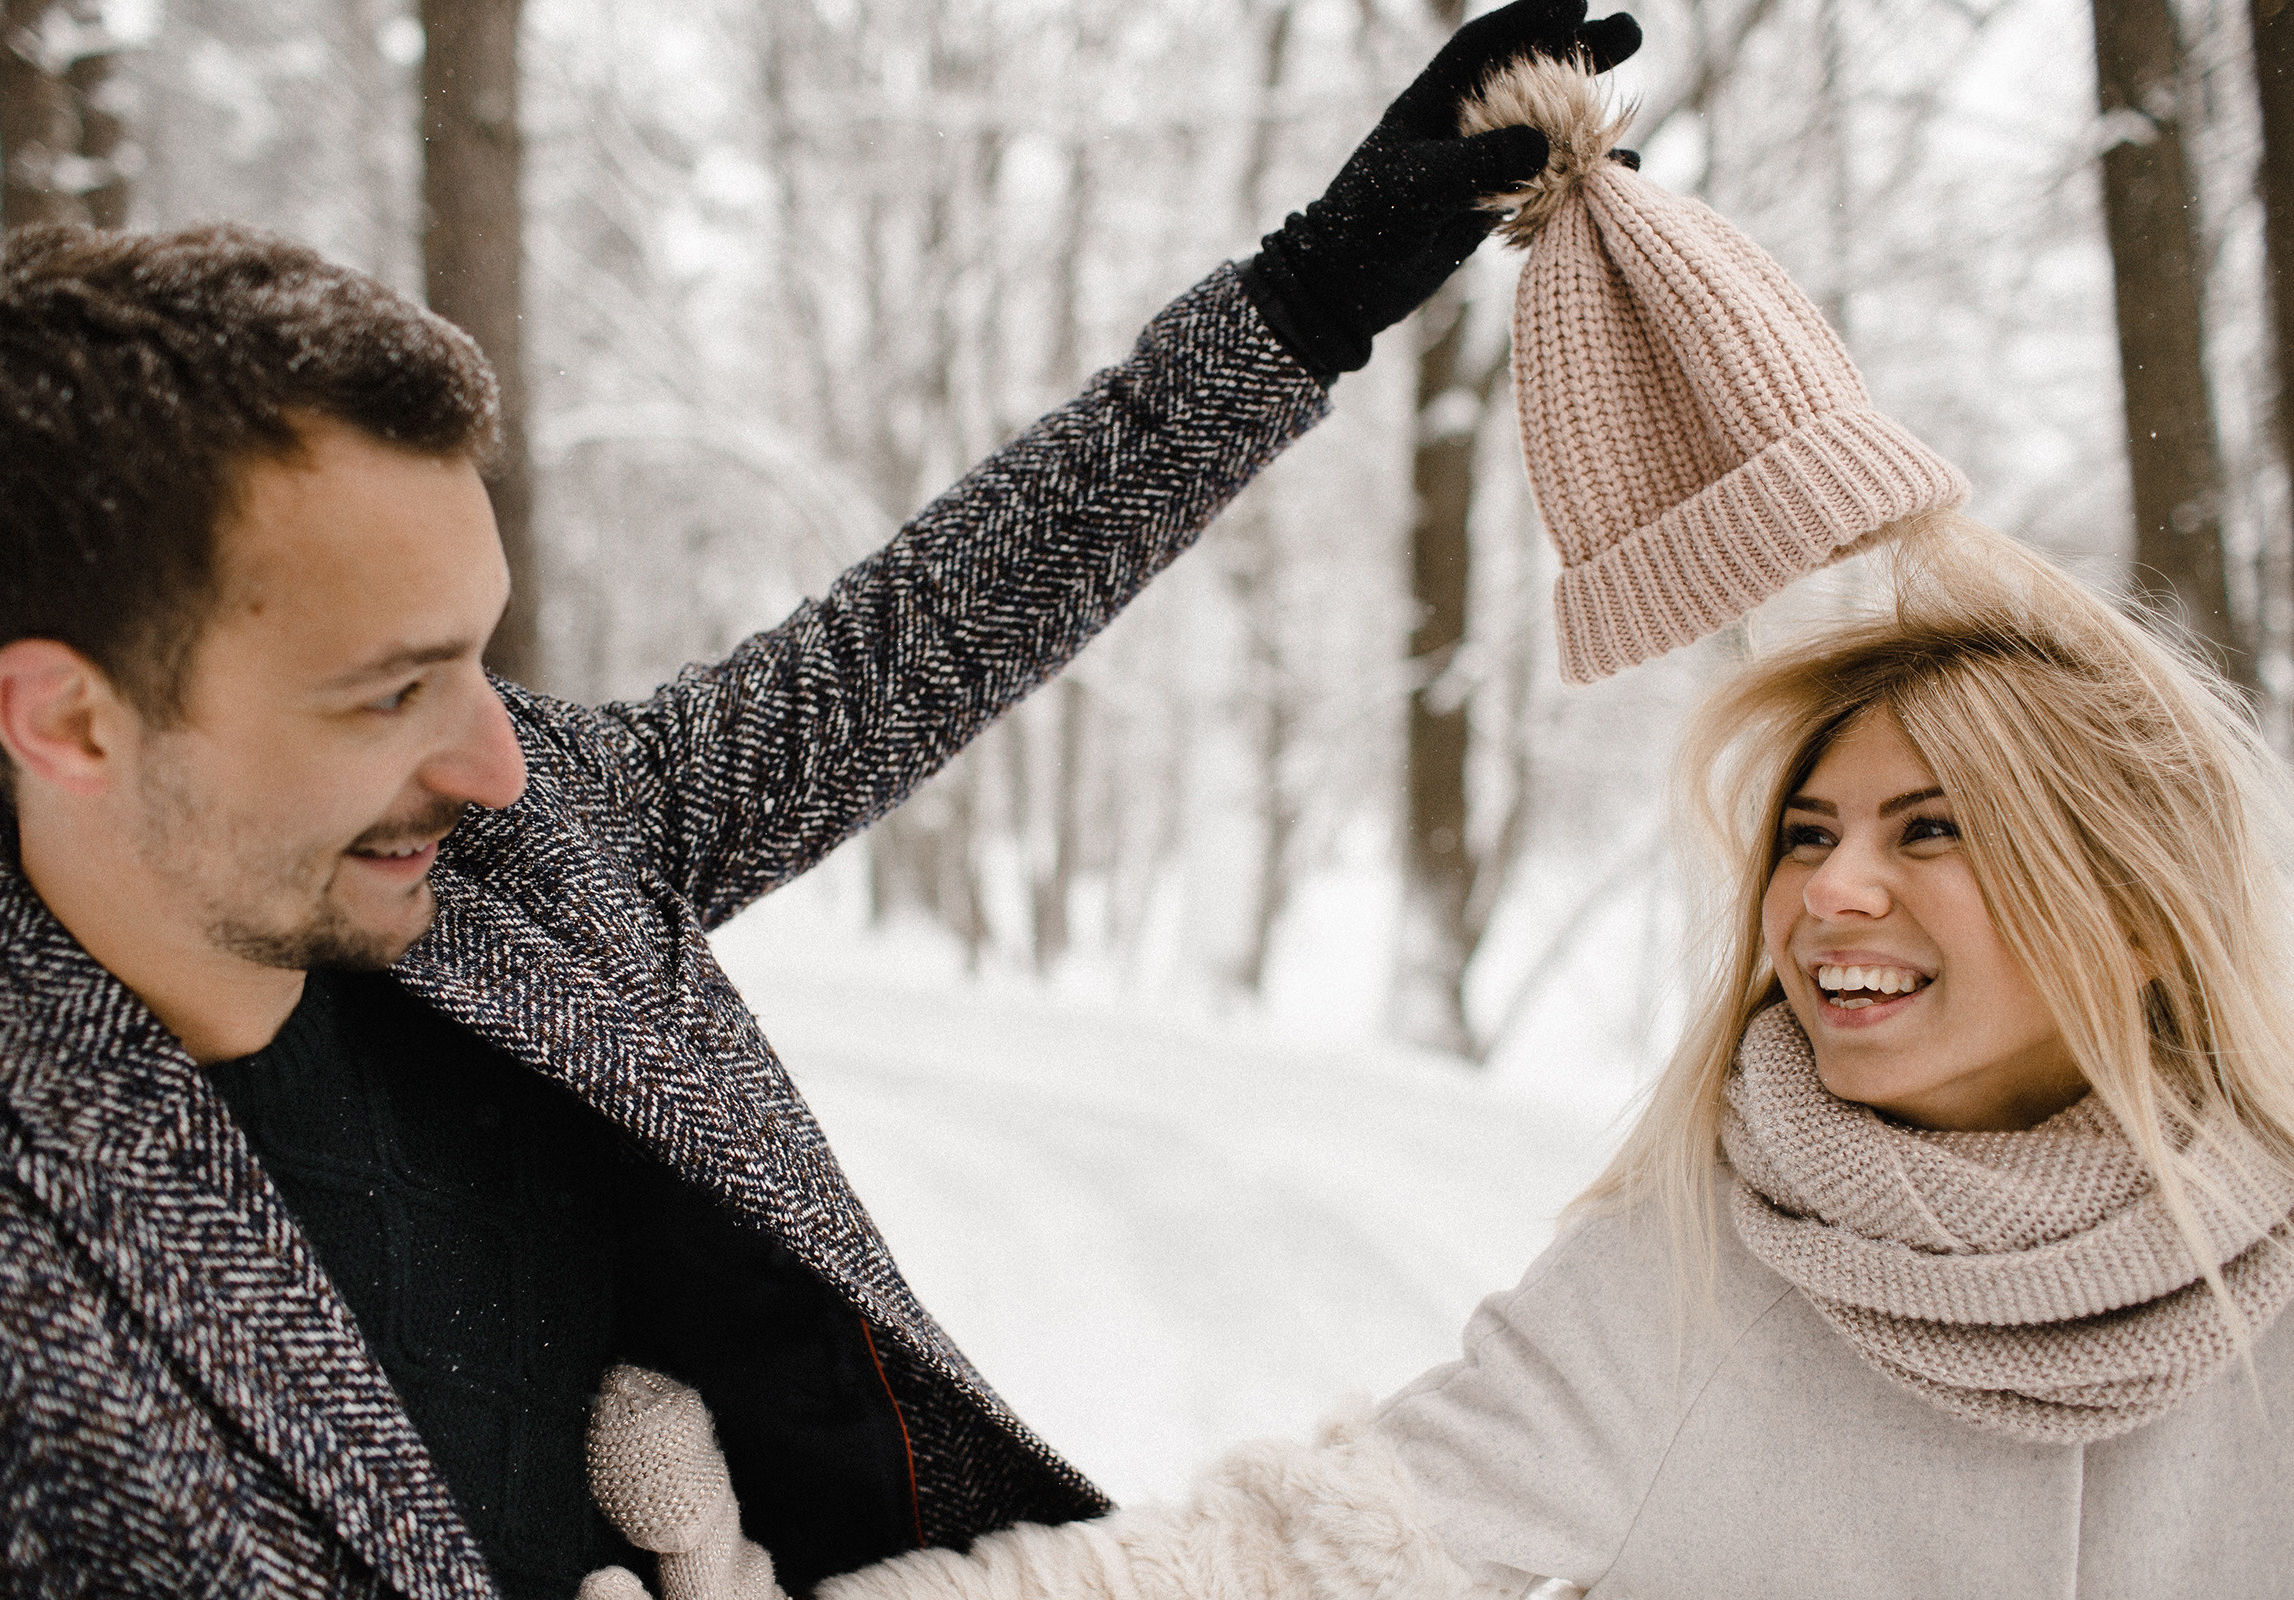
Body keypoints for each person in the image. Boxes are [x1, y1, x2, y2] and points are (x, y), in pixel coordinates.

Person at [0, 3, 1642, 1595]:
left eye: (477, 660)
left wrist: (1313, 296)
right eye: (387, 692)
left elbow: (923, 633)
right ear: (68, 718)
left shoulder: (529, 847)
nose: (498, 762)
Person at [581, 58, 2294, 1600]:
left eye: (1932, 836)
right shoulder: (1690, 1280)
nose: (1832, 891)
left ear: (2137, 910)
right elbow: (1267, 1565)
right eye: (1802, 834)